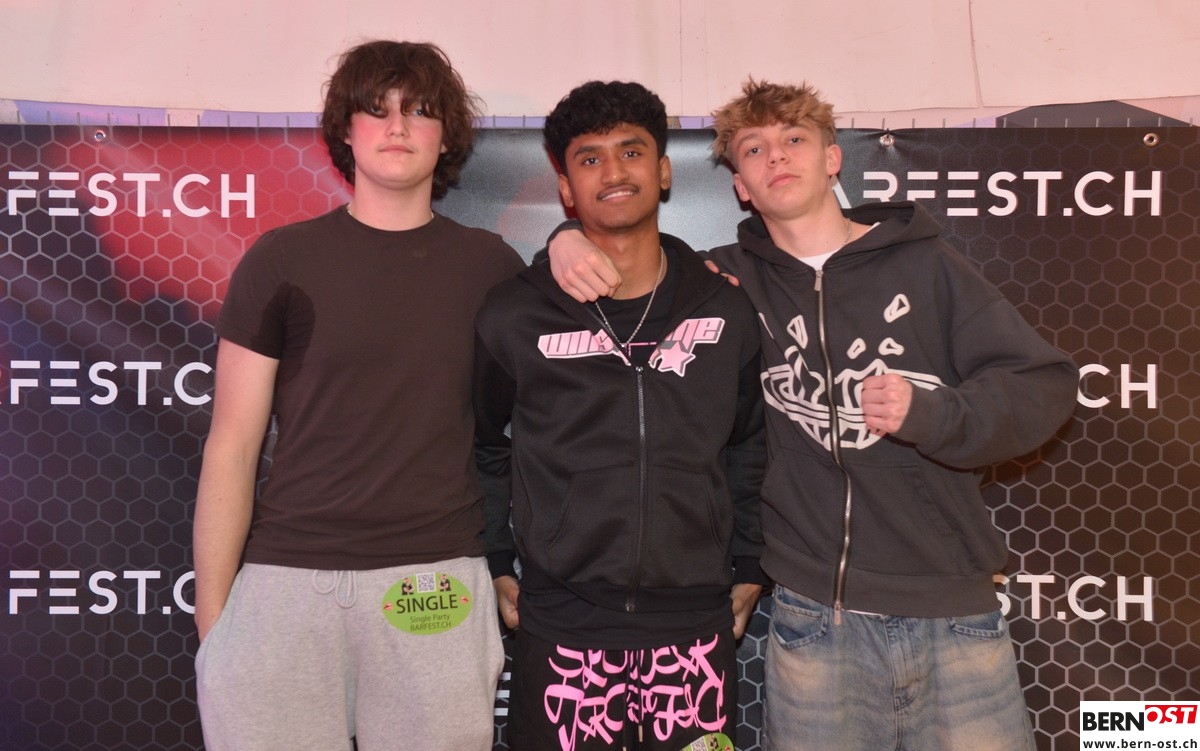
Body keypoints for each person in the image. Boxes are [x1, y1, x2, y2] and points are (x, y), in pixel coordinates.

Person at [549, 78, 1079, 750]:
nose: (776, 156)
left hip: (951, 611)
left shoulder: (927, 266)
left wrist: (936, 413)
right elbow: (621, 266)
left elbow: (1043, 386)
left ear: (832, 159)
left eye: (794, 139)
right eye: (753, 148)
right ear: (739, 185)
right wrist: (564, 238)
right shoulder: (723, 284)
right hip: (812, 620)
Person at [192, 40, 525, 750]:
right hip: (285, 587)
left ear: (447, 136)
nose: (398, 126)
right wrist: (216, 627)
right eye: (377, 109)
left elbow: (523, 425)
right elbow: (233, 446)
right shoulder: (281, 260)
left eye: (420, 110)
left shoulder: (492, 267)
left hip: (436, 582)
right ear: (346, 130)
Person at [473, 80, 768, 751]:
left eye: (631, 151)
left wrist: (752, 561)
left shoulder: (724, 308)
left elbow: (750, 443)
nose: (613, 171)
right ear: (566, 189)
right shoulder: (514, 312)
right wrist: (494, 555)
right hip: (563, 624)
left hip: (694, 625)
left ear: (663, 171)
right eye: (590, 158)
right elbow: (484, 443)